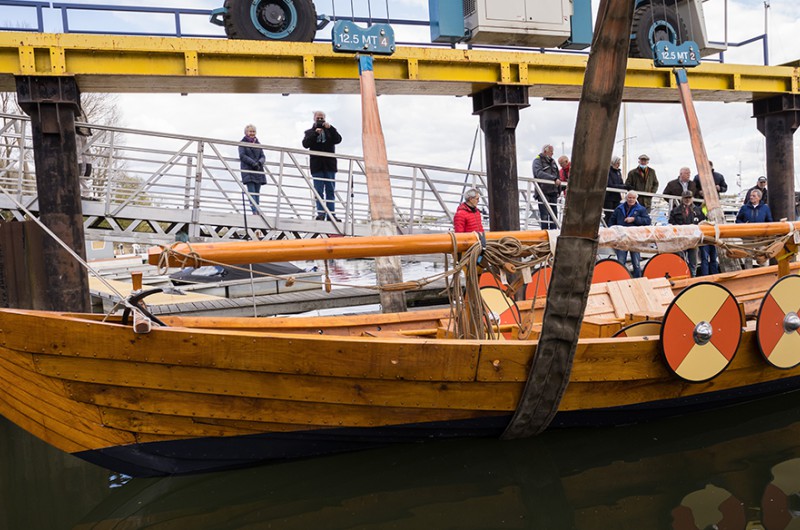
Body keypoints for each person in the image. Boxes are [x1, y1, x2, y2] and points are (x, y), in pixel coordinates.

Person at [302, 110, 343, 221]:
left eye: (322, 118)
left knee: (330, 190)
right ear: (314, 119)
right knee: (318, 191)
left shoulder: (330, 130)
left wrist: (331, 128)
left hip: (329, 165)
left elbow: (338, 140)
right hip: (317, 166)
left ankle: (331, 214)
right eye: (318, 118)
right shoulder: (309, 132)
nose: (320, 120)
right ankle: (320, 213)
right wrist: (315, 133)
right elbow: (305, 144)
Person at [610, 191, 651, 278]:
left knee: (636, 263)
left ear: (636, 199)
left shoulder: (641, 209)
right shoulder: (619, 209)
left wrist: (634, 219)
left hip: (634, 239)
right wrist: (614, 232)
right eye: (629, 197)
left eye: (633, 198)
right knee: (621, 261)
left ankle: (637, 279)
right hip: (621, 239)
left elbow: (647, 221)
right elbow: (611, 221)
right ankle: (620, 278)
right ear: (626, 198)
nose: (631, 199)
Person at [668, 190, 705, 276]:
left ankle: (692, 278)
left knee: (693, 262)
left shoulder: (698, 210)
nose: (687, 200)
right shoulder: (675, 210)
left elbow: (703, 223)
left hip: (693, 240)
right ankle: (681, 276)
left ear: (692, 198)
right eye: (685, 198)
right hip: (680, 239)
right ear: (682, 198)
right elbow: (671, 223)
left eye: (689, 198)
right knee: (680, 261)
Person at [238, 123, 266, 214]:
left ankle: (257, 210)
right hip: (248, 170)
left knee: (257, 192)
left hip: (258, 170)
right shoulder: (242, 143)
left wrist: (259, 163)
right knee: (251, 191)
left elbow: (263, 156)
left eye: (253, 131)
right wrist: (253, 163)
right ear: (246, 132)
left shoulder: (258, 143)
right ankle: (254, 211)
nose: (252, 133)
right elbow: (242, 155)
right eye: (250, 131)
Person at [532, 144, 560, 229]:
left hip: (553, 192)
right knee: (544, 215)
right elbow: (539, 173)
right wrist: (553, 178)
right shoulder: (537, 161)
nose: (552, 154)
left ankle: (553, 232)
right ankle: (544, 232)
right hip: (543, 191)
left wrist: (558, 190)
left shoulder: (553, 162)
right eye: (551, 152)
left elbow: (557, 175)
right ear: (545, 151)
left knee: (554, 216)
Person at [604, 155, 624, 226]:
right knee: (609, 214)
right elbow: (609, 184)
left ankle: (613, 228)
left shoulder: (618, 172)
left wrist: (625, 187)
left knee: (616, 214)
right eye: (617, 163)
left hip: (616, 197)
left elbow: (621, 183)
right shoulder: (608, 171)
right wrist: (622, 186)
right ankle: (607, 227)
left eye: (619, 163)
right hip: (608, 197)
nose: (618, 165)